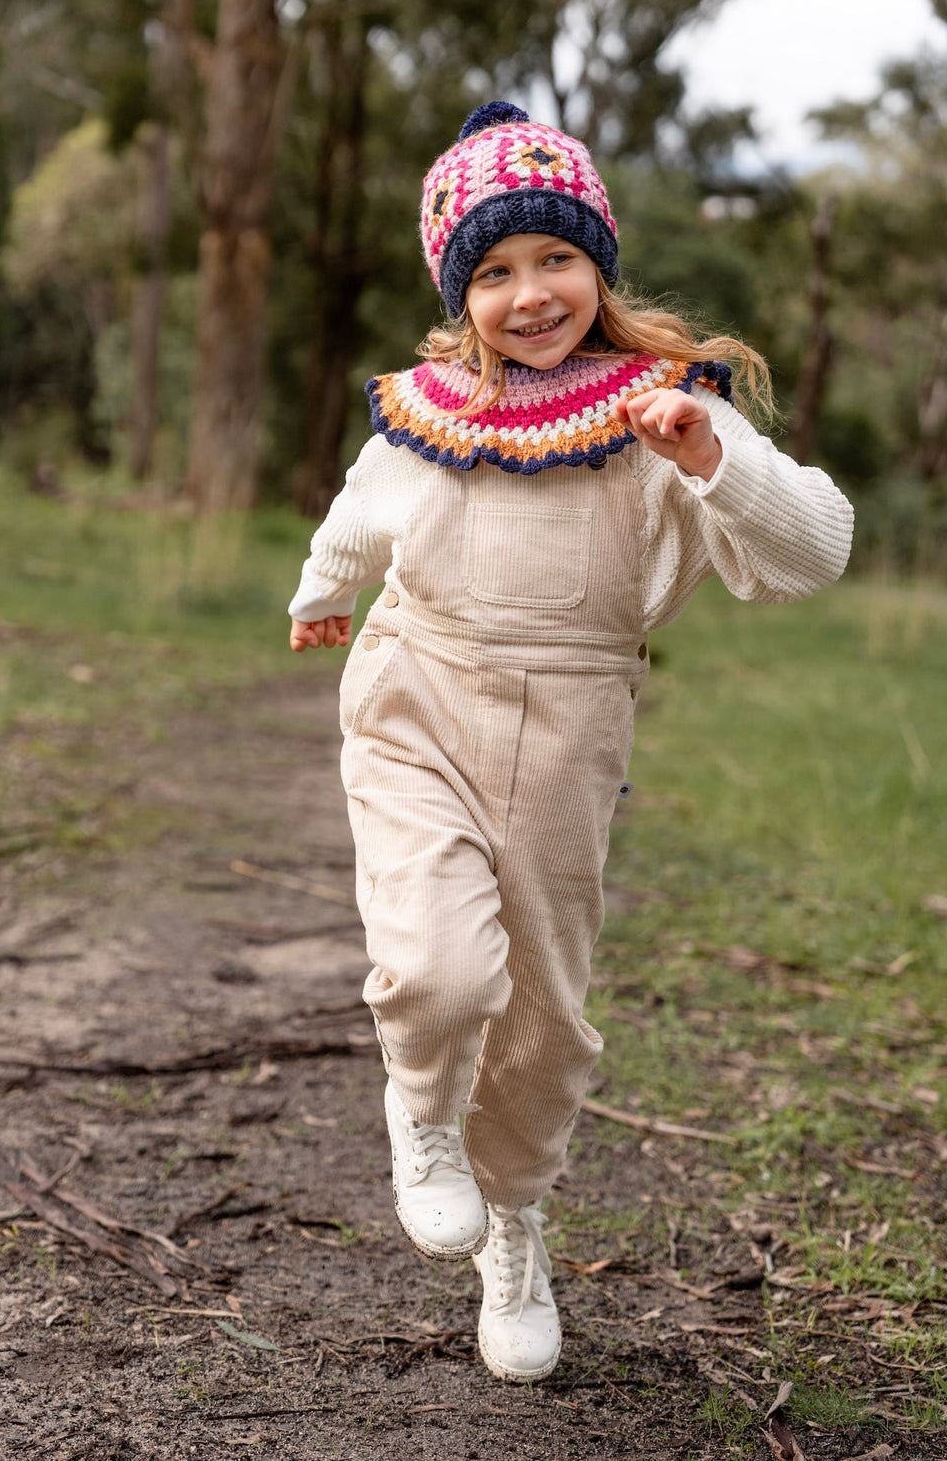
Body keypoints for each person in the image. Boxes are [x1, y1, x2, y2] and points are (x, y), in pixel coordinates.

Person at [286, 101, 854, 1383]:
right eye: (492, 271)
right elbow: (360, 514)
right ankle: (420, 1110)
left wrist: (712, 457)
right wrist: (323, 595)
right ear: (458, 291)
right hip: (416, 695)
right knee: (438, 971)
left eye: (553, 258)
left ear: (597, 261)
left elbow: (817, 551)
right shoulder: (427, 410)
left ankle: (517, 1225)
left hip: (573, 722)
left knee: (542, 1014)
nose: (529, 293)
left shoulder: (665, 412)